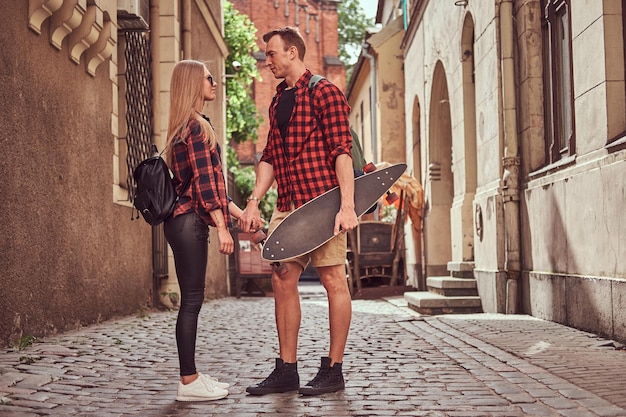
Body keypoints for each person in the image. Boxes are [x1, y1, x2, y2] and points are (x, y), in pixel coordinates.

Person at [239, 27, 358, 396]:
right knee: (282, 278)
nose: (267, 61)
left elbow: (342, 150)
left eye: (272, 54)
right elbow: (270, 156)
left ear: (292, 52)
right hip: (288, 207)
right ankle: (287, 368)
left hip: (323, 205)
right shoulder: (278, 101)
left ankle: (333, 369)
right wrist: (255, 199)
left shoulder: (325, 91)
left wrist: (347, 206)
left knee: (333, 281)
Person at [163, 59, 242, 402]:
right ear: (195, 83)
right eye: (209, 77)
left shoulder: (188, 126)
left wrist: (237, 214)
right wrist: (223, 227)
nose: (214, 82)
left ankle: (191, 376)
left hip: (182, 221)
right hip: (189, 221)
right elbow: (207, 184)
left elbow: (210, 184)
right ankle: (188, 382)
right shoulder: (195, 128)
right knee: (192, 300)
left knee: (192, 299)